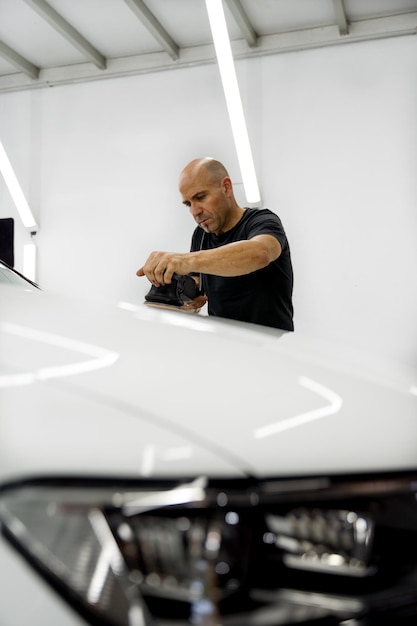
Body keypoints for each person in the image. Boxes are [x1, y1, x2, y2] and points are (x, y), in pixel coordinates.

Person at [137, 157, 294, 331]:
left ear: (226, 187)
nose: (195, 211)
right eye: (188, 204)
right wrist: (183, 293)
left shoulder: (262, 221)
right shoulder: (201, 235)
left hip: (272, 347)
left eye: (201, 197)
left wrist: (185, 260)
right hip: (223, 343)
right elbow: (198, 285)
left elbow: (260, 253)